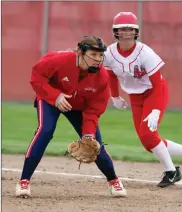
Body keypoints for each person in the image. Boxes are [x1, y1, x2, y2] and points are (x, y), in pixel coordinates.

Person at [15, 36, 127, 198]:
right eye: (93, 55)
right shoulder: (60, 60)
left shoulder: (101, 78)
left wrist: (88, 133)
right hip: (50, 99)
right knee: (45, 131)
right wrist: (55, 96)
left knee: (95, 144)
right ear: (80, 53)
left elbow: (94, 109)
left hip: (79, 107)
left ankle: (113, 180)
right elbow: (37, 77)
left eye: (101, 55)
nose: (98, 59)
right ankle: (24, 180)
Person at [104, 12, 182, 188]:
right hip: (135, 96)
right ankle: (173, 171)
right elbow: (110, 76)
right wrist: (115, 96)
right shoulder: (109, 52)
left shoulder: (145, 52)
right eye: (122, 29)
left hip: (155, 92)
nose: (126, 33)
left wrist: (156, 109)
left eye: (130, 29)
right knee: (148, 142)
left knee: (148, 134)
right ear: (115, 32)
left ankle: (171, 172)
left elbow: (157, 84)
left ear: (136, 32)